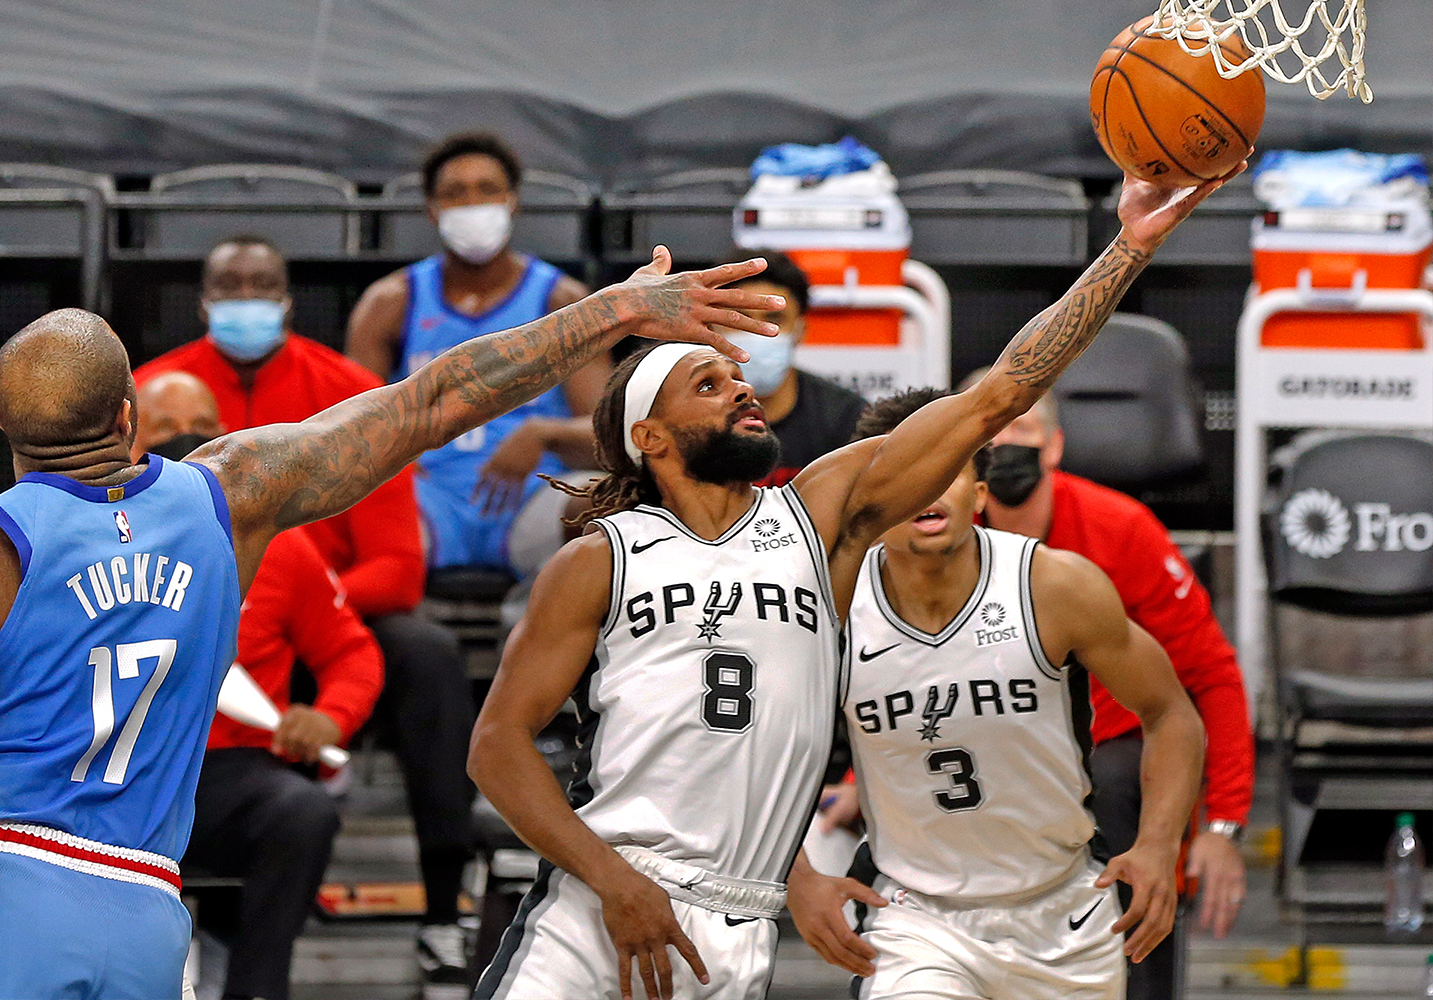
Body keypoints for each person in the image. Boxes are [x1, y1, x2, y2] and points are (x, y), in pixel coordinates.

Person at [466, 169, 1240, 1000]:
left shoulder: (812, 523)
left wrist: (1128, 248)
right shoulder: (601, 558)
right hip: (603, 899)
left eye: (738, 377)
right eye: (709, 383)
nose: (742, 385)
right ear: (650, 435)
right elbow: (495, 748)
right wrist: (610, 879)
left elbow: (1003, 391)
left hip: (737, 919)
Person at [0, 247, 783, 999]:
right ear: (128, 413)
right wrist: (617, 309)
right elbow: (438, 398)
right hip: (146, 905)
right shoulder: (229, 495)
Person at [133, 234, 480, 985]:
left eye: (262, 283)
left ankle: (445, 909)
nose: (246, 298)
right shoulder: (144, 389)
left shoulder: (352, 392)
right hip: (160, 636)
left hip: (300, 610)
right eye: (231, 284)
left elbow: (399, 567)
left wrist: (282, 598)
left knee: (425, 654)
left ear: (289, 299)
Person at [786, 388, 1206, 1000]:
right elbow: (752, 749)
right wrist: (798, 878)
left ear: (979, 492)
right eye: (909, 475)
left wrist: (1159, 845)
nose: (928, 490)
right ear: (872, 501)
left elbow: (1171, 714)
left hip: (1062, 907)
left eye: (947, 470)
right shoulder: (832, 608)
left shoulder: (1053, 586)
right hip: (914, 916)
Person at [976, 382, 1252, 1000]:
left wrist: (1224, 823)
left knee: (1124, 779)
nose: (1004, 446)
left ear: (1055, 447)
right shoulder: (936, 530)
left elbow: (1211, 675)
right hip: (985, 738)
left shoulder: (1121, 529)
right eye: (989, 434)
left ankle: (1139, 977)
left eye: (1021, 431)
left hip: (1106, 745)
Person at [134, 372, 384, 1000]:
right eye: (166, 428)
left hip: (231, 768)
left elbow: (353, 652)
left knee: (301, 813)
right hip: (124, 764)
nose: (185, 439)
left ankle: (256, 988)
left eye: (202, 427)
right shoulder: (87, 537)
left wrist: (330, 717)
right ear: (130, 436)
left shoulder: (282, 547)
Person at [346, 131, 607, 576]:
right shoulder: (390, 301)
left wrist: (542, 433)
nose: (472, 204)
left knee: (606, 505)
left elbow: (607, 433)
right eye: (455, 193)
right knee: (348, 516)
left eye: (487, 190)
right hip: (426, 497)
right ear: (432, 209)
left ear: (512, 201)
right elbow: (347, 428)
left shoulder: (561, 300)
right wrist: (396, 459)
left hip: (531, 492)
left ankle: (547, 629)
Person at [713, 249, 867, 487]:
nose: (757, 330)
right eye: (739, 318)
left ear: (800, 329)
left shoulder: (846, 418)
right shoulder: (687, 416)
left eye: (774, 319)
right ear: (712, 326)